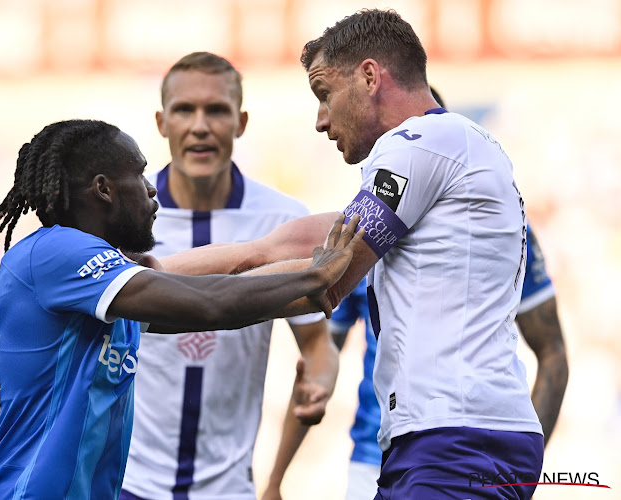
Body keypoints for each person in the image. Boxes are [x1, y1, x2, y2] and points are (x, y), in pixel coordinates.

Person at [159, 8, 547, 499]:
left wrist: (160, 308)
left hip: (456, 436)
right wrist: (143, 274)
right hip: (454, 433)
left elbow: (324, 282)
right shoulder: (448, 153)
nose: (321, 120)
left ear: (369, 76)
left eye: (324, 95)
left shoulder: (418, 143)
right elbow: (274, 249)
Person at [0, 52, 339, 500]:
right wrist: (315, 275)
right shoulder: (60, 253)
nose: (150, 187)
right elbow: (210, 302)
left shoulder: (112, 278)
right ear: (103, 188)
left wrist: (291, 262)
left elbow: (198, 288)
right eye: (140, 174)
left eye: (216, 110)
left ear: (240, 122)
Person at [264, 89, 569, 500]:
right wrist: (277, 475)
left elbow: (552, 351)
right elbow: (322, 348)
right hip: (382, 449)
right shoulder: (365, 228)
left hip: (455, 440)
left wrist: (518, 472)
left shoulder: (499, 228)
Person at [119, 52, 338, 500]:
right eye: (185, 110)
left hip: (229, 488)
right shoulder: (120, 220)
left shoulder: (282, 220)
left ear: (241, 122)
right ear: (162, 122)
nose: (201, 125)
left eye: (216, 110)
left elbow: (317, 342)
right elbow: (9, 301)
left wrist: (320, 379)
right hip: (127, 484)